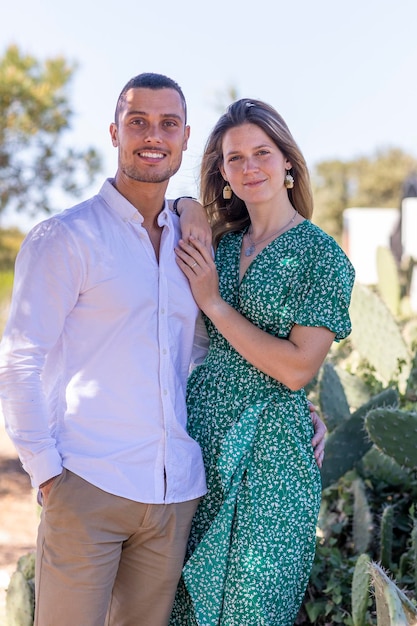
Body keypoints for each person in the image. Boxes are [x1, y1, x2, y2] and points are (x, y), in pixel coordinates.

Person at [0, 74, 326, 626]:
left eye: (168, 124)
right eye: (138, 122)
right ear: (114, 132)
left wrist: (290, 403)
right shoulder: (66, 237)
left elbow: (202, 350)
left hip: (177, 494)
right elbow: (21, 357)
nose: (154, 135)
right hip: (90, 481)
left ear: (184, 137)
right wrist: (47, 471)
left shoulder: (194, 241)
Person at [169, 99, 355, 626]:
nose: (250, 167)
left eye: (262, 153)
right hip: (200, 441)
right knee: (184, 605)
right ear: (222, 172)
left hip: (274, 457)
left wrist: (213, 302)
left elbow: (298, 369)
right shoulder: (218, 243)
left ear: (288, 162)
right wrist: (187, 205)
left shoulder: (321, 256)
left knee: (255, 608)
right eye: (235, 158)